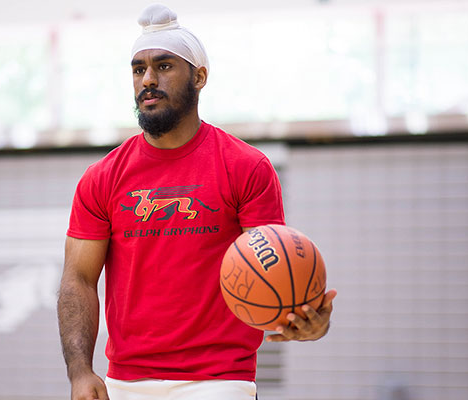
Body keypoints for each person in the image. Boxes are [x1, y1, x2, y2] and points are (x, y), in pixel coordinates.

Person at [57, 4, 337, 400]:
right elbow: (78, 279)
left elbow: (272, 268)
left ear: (200, 76)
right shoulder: (101, 178)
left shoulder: (246, 167)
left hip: (220, 381)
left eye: (164, 66)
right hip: (125, 382)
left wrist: (308, 322)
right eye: (138, 70)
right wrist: (80, 372)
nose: (148, 80)